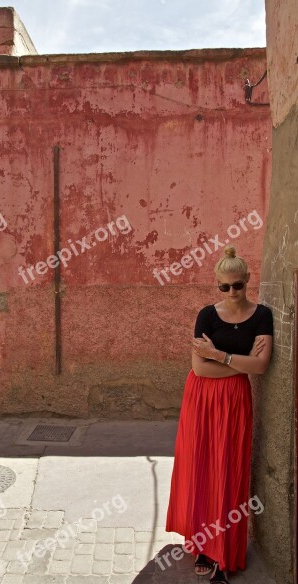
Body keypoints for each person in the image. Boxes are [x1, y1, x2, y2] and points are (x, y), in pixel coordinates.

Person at [165, 245, 273, 584]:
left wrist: (219, 355)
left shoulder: (262, 315)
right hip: (201, 399)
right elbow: (199, 368)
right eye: (223, 287)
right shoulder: (206, 316)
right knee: (201, 466)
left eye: (237, 285)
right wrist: (239, 363)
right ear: (217, 285)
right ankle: (202, 547)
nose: (231, 293)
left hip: (236, 401)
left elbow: (262, 365)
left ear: (247, 281)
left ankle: (224, 549)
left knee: (229, 468)